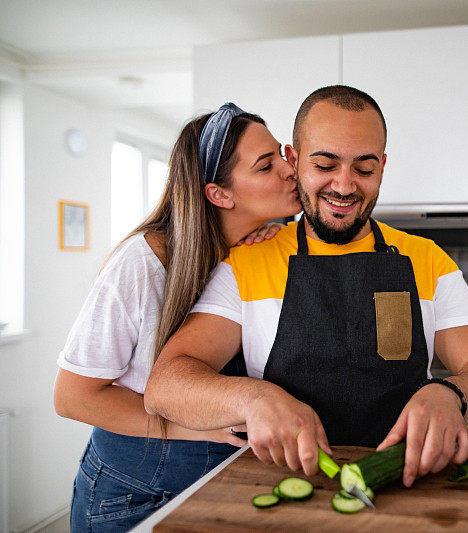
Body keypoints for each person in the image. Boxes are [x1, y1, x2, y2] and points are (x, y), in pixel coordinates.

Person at [144, 85, 468, 488]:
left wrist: (450, 394)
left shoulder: (427, 260)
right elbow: (166, 384)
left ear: (383, 167)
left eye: (365, 169)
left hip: (404, 487)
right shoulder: (248, 262)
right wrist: (254, 399)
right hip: (280, 488)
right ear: (293, 159)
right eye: (325, 165)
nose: (344, 185)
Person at [53, 102, 301, 532]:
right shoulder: (143, 263)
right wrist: (188, 427)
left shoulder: (259, 250)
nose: (288, 168)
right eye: (266, 166)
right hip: (132, 494)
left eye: (280, 154)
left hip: (217, 478)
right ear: (220, 194)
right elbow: (73, 397)